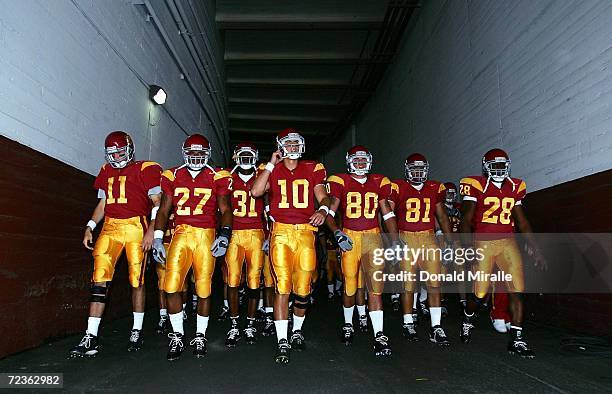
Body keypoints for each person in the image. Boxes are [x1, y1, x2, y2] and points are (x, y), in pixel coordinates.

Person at [70, 131, 161, 357]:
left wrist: (152, 230)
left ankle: (137, 329)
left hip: (135, 227)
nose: (117, 156)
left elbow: (157, 203)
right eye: (113, 152)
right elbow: (103, 203)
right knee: (99, 280)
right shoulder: (105, 171)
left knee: (136, 280)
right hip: (110, 227)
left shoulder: (145, 168)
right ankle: (91, 335)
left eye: (120, 151)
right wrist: (90, 226)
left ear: (129, 149)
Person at [251, 128, 332, 364]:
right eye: (289, 143)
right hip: (281, 233)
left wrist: (323, 209)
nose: (294, 147)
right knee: (282, 286)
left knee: (304, 288)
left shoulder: (313, 168)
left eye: (297, 143)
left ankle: (297, 329)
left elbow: (323, 197)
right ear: (280, 145)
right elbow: (256, 191)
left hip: (306, 232)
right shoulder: (271, 169)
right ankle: (282, 339)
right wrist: (270, 165)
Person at [152, 134, 233, 361]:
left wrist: (225, 235)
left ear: (207, 154)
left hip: (206, 235)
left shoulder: (217, 176)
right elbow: (164, 209)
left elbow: (225, 209)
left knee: (204, 288)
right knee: (170, 287)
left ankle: (200, 335)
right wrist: (158, 237)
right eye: (192, 152)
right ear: (184, 153)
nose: (196, 156)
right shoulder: (173, 175)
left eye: (200, 152)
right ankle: (177, 335)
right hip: (181, 234)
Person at [459, 148, 546, 358]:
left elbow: (522, 221)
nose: (499, 169)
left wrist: (535, 247)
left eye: (502, 165)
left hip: (508, 242)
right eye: (494, 165)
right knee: (479, 294)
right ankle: (467, 318)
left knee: (517, 290)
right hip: (483, 243)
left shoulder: (515, 187)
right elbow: (466, 219)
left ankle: (517, 339)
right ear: (486, 167)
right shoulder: (476, 186)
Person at [326, 145, 400, 356]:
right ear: (349, 162)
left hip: (373, 238)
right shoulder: (340, 181)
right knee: (350, 284)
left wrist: (395, 240)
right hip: (350, 236)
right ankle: (348, 324)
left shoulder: (379, 182)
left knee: (375, 287)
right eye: (356, 160)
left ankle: (379, 335)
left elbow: (387, 214)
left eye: (363, 160)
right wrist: (337, 233)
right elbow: (329, 212)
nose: (360, 164)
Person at [389, 153, 453, 345]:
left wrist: (450, 241)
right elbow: (388, 215)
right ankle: (408, 323)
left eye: (421, 169)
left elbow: (442, 217)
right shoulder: (398, 187)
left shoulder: (434, 188)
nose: (417, 172)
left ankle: (436, 327)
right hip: (406, 238)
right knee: (408, 284)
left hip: (429, 239)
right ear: (407, 170)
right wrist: (392, 240)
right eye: (414, 169)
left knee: (434, 284)